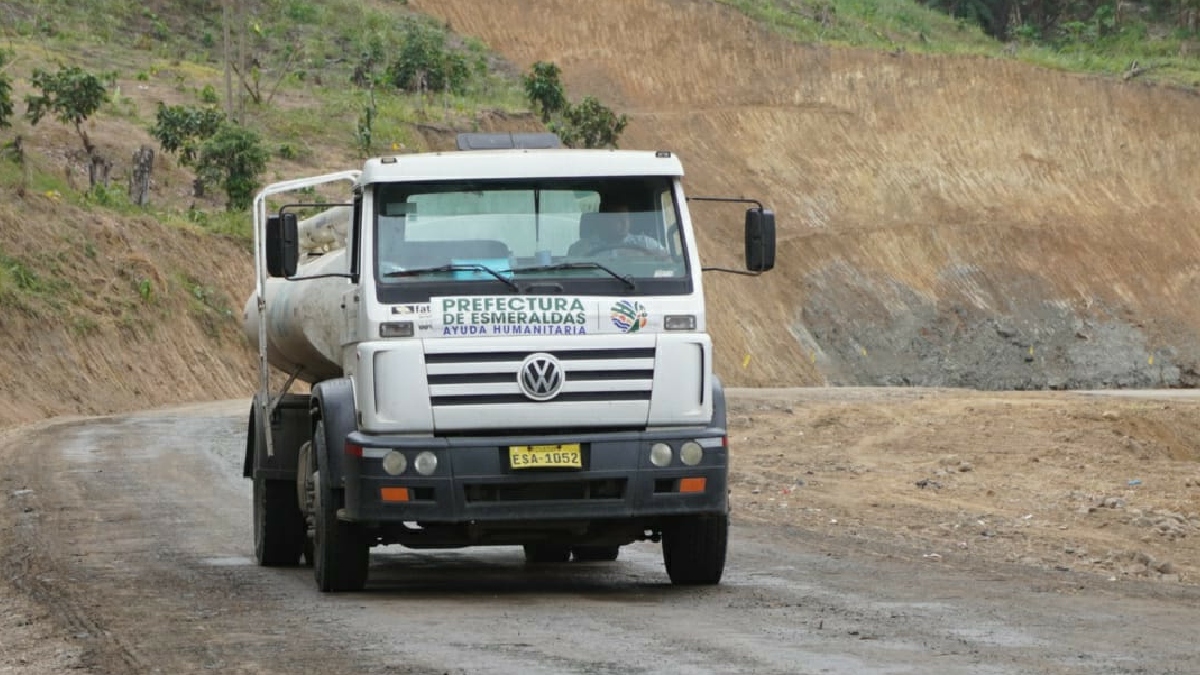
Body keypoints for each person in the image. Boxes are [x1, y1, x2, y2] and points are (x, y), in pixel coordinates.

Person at [568, 200, 666, 256]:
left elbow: (669, 260)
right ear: (603, 220)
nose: (625, 223)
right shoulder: (581, 248)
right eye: (618, 218)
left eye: (626, 217)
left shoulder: (645, 243)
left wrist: (646, 255)